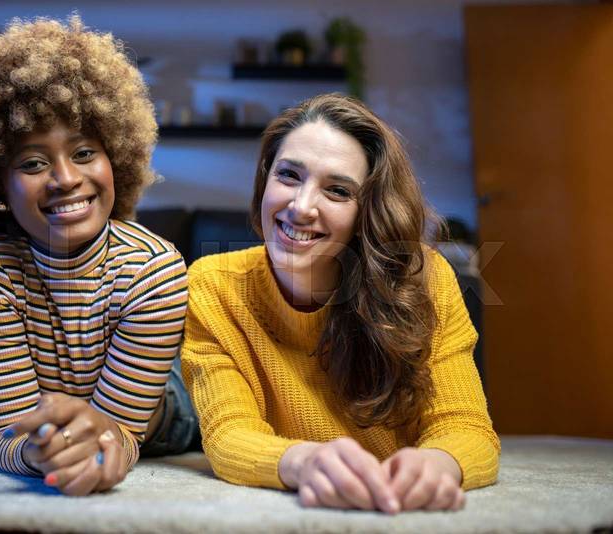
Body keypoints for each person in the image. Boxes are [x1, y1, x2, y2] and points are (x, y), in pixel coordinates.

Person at [0, 15, 198, 496]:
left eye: (84, 153)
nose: (65, 178)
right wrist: (34, 451)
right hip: (57, 419)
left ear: (116, 158)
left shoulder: (156, 267)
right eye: (33, 163)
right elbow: (7, 436)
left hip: (163, 414)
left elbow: (123, 435)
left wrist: (103, 447)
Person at [181, 93, 499, 513]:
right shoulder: (212, 285)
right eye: (289, 176)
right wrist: (304, 462)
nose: (301, 207)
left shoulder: (428, 280)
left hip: (398, 512)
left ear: (368, 211)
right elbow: (228, 433)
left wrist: (436, 466)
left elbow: (467, 426)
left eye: (337, 190)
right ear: (265, 179)